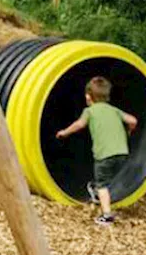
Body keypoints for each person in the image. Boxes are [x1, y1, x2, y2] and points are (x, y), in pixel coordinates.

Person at [56, 75, 137, 225]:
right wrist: (130, 131)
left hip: (104, 155)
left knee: (102, 185)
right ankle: (97, 191)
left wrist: (64, 132)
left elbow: (79, 125)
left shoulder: (89, 111)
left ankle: (107, 215)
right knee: (106, 178)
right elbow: (133, 120)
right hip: (122, 153)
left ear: (88, 96)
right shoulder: (114, 110)